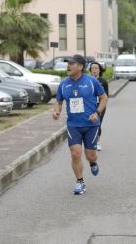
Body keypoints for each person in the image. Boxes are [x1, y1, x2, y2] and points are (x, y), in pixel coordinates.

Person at [53, 54, 108, 195]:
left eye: (72, 63)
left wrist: (97, 112)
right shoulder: (64, 84)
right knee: (75, 154)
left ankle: (93, 163)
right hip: (73, 125)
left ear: (80, 66)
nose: (68, 66)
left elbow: (103, 97)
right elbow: (58, 100)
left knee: (91, 155)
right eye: (68, 63)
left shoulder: (91, 81)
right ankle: (80, 182)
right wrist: (56, 111)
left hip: (91, 125)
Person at [89, 61, 109, 151]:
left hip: (100, 106)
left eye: (96, 68)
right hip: (89, 106)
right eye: (92, 68)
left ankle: (97, 142)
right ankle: (90, 141)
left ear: (99, 70)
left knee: (98, 124)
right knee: (90, 124)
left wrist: (102, 106)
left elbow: (106, 96)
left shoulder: (103, 82)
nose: (94, 70)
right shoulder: (87, 81)